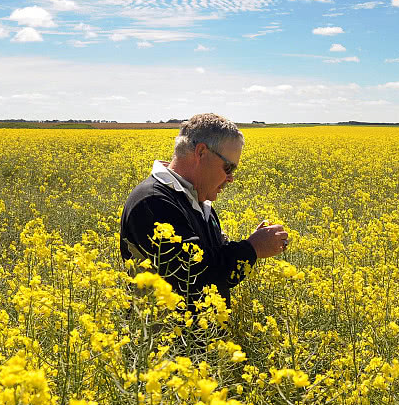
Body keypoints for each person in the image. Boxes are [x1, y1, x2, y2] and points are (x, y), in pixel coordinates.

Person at [120, 112, 289, 307]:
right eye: (228, 168)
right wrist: (253, 248)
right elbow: (194, 274)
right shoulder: (152, 201)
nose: (231, 178)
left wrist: (251, 247)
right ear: (201, 152)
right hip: (167, 336)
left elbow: (218, 270)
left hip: (198, 334)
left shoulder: (196, 200)